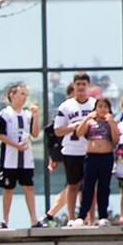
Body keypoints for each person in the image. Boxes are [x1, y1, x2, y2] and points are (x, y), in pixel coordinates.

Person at [46, 72, 95, 225]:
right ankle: (71, 218)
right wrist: (73, 126)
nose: (80, 87)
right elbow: (57, 130)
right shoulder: (66, 106)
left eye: (83, 84)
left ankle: (91, 219)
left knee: (90, 187)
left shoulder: (94, 104)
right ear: (74, 86)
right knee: (72, 185)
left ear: (88, 86)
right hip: (72, 150)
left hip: (91, 150)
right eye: (78, 84)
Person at [0, 82, 39, 229]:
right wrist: (15, 145)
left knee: (29, 187)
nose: (24, 97)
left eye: (26, 94)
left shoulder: (27, 115)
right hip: (9, 159)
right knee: (8, 189)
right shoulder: (5, 114)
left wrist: (36, 115)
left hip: (26, 159)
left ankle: (34, 219)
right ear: (11, 95)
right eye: (21, 94)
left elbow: (35, 133)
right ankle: (5, 220)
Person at [71, 96, 121, 226]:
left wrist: (111, 122)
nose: (102, 109)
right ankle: (82, 216)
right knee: (88, 186)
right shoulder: (90, 122)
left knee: (104, 186)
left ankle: (103, 215)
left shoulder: (111, 122)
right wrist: (87, 118)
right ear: (95, 108)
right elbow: (79, 132)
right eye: (100, 106)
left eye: (105, 106)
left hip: (106, 157)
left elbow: (115, 139)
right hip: (91, 157)